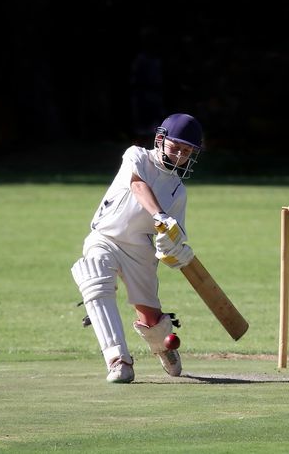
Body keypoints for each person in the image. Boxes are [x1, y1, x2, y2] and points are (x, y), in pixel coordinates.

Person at [71, 113, 203, 383]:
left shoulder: (178, 190)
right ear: (160, 140)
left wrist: (174, 248)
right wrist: (160, 216)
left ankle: (162, 347)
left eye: (186, 151)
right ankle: (119, 361)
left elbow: (171, 240)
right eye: (175, 147)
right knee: (95, 280)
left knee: (150, 319)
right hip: (105, 236)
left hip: (140, 250)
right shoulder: (137, 155)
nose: (179, 155)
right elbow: (137, 185)